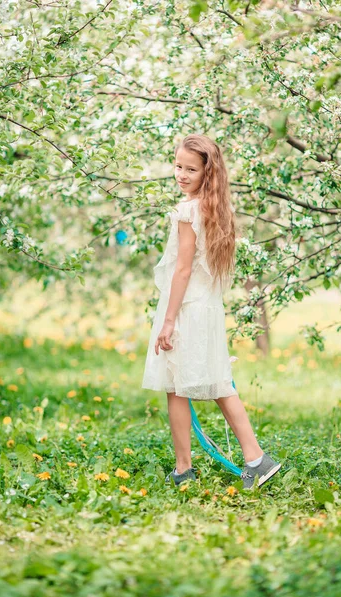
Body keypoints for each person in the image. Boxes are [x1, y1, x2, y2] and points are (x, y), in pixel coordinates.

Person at [141, 134, 281, 489]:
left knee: (177, 387)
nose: (182, 174)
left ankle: (185, 469)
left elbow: (183, 270)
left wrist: (169, 320)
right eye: (178, 166)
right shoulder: (215, 209)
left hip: (187, 307)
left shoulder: (187, 211)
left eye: (191, 169)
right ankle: (255, 459)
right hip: (206, 307)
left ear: (208, 171)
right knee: (217, 382)